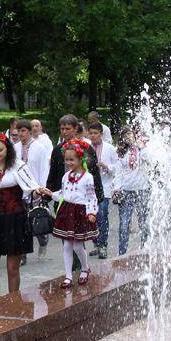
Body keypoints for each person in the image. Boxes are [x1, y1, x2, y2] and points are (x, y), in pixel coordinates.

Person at [0, 134, 47, 298]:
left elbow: (31, 190)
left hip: (15, 218)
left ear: (8, 149)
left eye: (0, 150)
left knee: (12, 268)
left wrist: (38, 192)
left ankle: (13, 301)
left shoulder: (18, 166)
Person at [44, 140, 99, 288]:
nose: (68, 163)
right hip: (67, 211)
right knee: (67, 245)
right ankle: (68, 275)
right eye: (66, 160)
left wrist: (91, 212)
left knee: (78, 246)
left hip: (80, 213)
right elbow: (63, 194)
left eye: (71, 160)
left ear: (80, 159)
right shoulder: (66, 176)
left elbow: (91, 197)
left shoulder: (87, 177)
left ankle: (85, 268)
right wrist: (51, 194)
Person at [14, 119, 52, 258]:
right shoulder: (15, 148)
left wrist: (41, 188)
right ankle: (22, 254)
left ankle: (43, 240)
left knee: (35, 218)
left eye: (23, 131)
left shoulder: (39, 147)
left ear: (30, 132)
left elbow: (44, 168)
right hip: (19, 189)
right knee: (21, 222)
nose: (21, 134)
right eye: (18, 131)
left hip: (34, 189)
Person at [113, 128, 150, 255]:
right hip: (126, 190)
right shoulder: (121, 151)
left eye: (130, 134)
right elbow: (118, 171)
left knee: (143, 221)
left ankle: (145, 249)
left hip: (142, 190)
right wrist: (117, 188)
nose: (128, 137)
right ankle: (122, 253)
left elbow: (149, 159)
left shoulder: (142, 148)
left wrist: (141, 147)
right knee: (124, 224)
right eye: (125, 135)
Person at [87, 122, 118, 259]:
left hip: (104, 186)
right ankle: (96, 242)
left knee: (102, 215)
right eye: (91, 133)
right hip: (89, 188)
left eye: (96, 133)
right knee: (91, 217)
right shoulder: (86, 148)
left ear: (101, 134)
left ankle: (103, 245)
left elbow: (117, 167)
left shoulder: (110, 149)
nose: (93, 136)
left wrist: (107, 167)